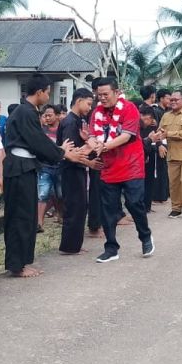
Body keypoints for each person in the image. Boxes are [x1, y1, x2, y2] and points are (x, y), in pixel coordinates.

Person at [1, 74, 74, 278]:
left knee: (27, 215)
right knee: (20, 216)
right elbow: (36, 141)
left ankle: (22, 261)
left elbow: (39, 140)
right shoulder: (25, 112)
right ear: (40, 91)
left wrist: (57, 150)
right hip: (19, 168)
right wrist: (60, 153)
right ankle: (17, 265)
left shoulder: (29, 111)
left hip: (26, 166)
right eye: (48, 92)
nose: (48, 97)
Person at [88, 77, 153, 263]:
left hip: (131, 165)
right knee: (108, 209)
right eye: (98, 95)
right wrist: (94, 145)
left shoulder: (129, 108)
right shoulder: (96, 113)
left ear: (117, 92)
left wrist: (104, 146)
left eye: (105, 94)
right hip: (109, 167)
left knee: (134, 203)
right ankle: (111, 248)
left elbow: (125, 136)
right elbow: (92, 136)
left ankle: (145, 236)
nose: (102, 98)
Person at [56, 89, 101, 255]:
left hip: (78, 168)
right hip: (71, 169)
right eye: (89, 104)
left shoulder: (79, 120)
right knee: (74, 207)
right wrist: (89, 156)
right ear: (78, 100)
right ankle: (69, 245)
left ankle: (74, 243)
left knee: (80, 206)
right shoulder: (69, 122)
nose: (90, 108)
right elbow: (71, 153)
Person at [159, 91, 182, 219]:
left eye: (176, 99)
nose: (173, 102)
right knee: (174, 183)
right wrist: (159, 140)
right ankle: (176, 208)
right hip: (172, 154)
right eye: (171, 100)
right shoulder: (166, 116)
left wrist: (168, 134)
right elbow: (160, 131)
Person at [36, 104, 62, 229]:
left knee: (60, 194)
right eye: (45, 115)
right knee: (42, 194)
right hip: (44, 166)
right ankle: (39, 223)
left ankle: (61, 216)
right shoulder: (41, 131)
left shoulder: (63, 130)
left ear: (57, 116)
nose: (47, 118)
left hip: (60, 166)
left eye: (50, 115)